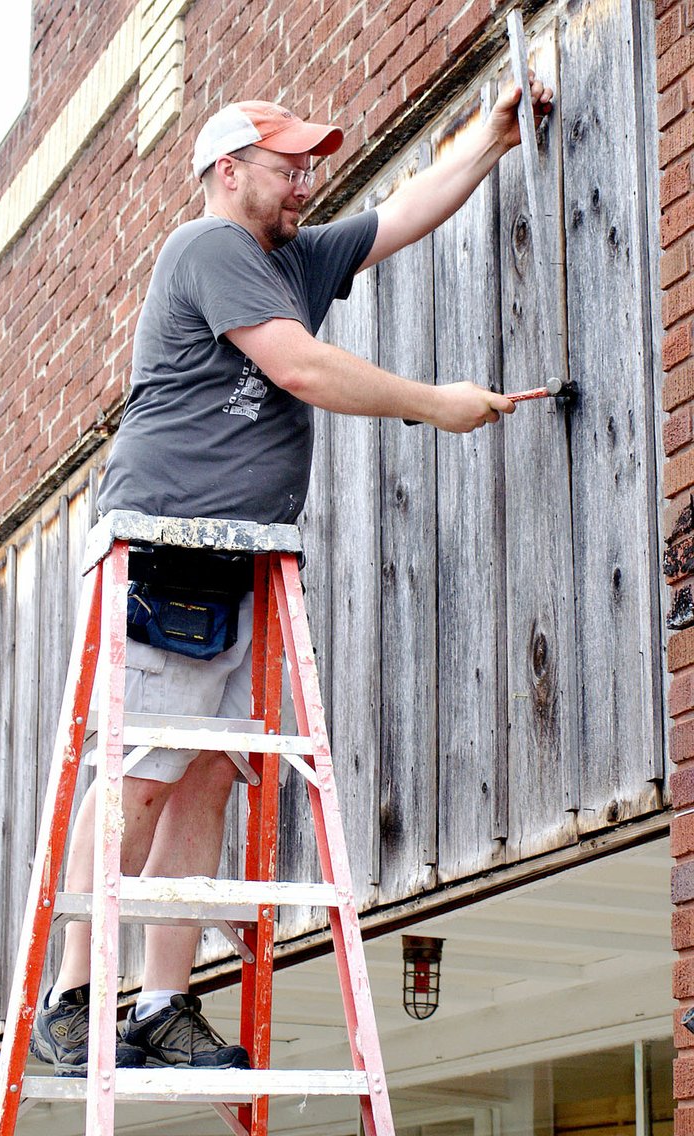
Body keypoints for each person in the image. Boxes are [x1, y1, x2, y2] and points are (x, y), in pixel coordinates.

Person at [31, 77, 553, 1077]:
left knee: (206, 778)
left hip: (244, 555)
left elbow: (399, 213)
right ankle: (75, 991)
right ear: (229, 173)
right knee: (141, 770)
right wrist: (430, 404)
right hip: (170, 542)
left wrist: (488, 138)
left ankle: (161, 1001)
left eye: (310, 165)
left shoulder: (293, 258)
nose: (304, 182)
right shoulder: (210, 247)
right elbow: (301, 370)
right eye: (287, 167)